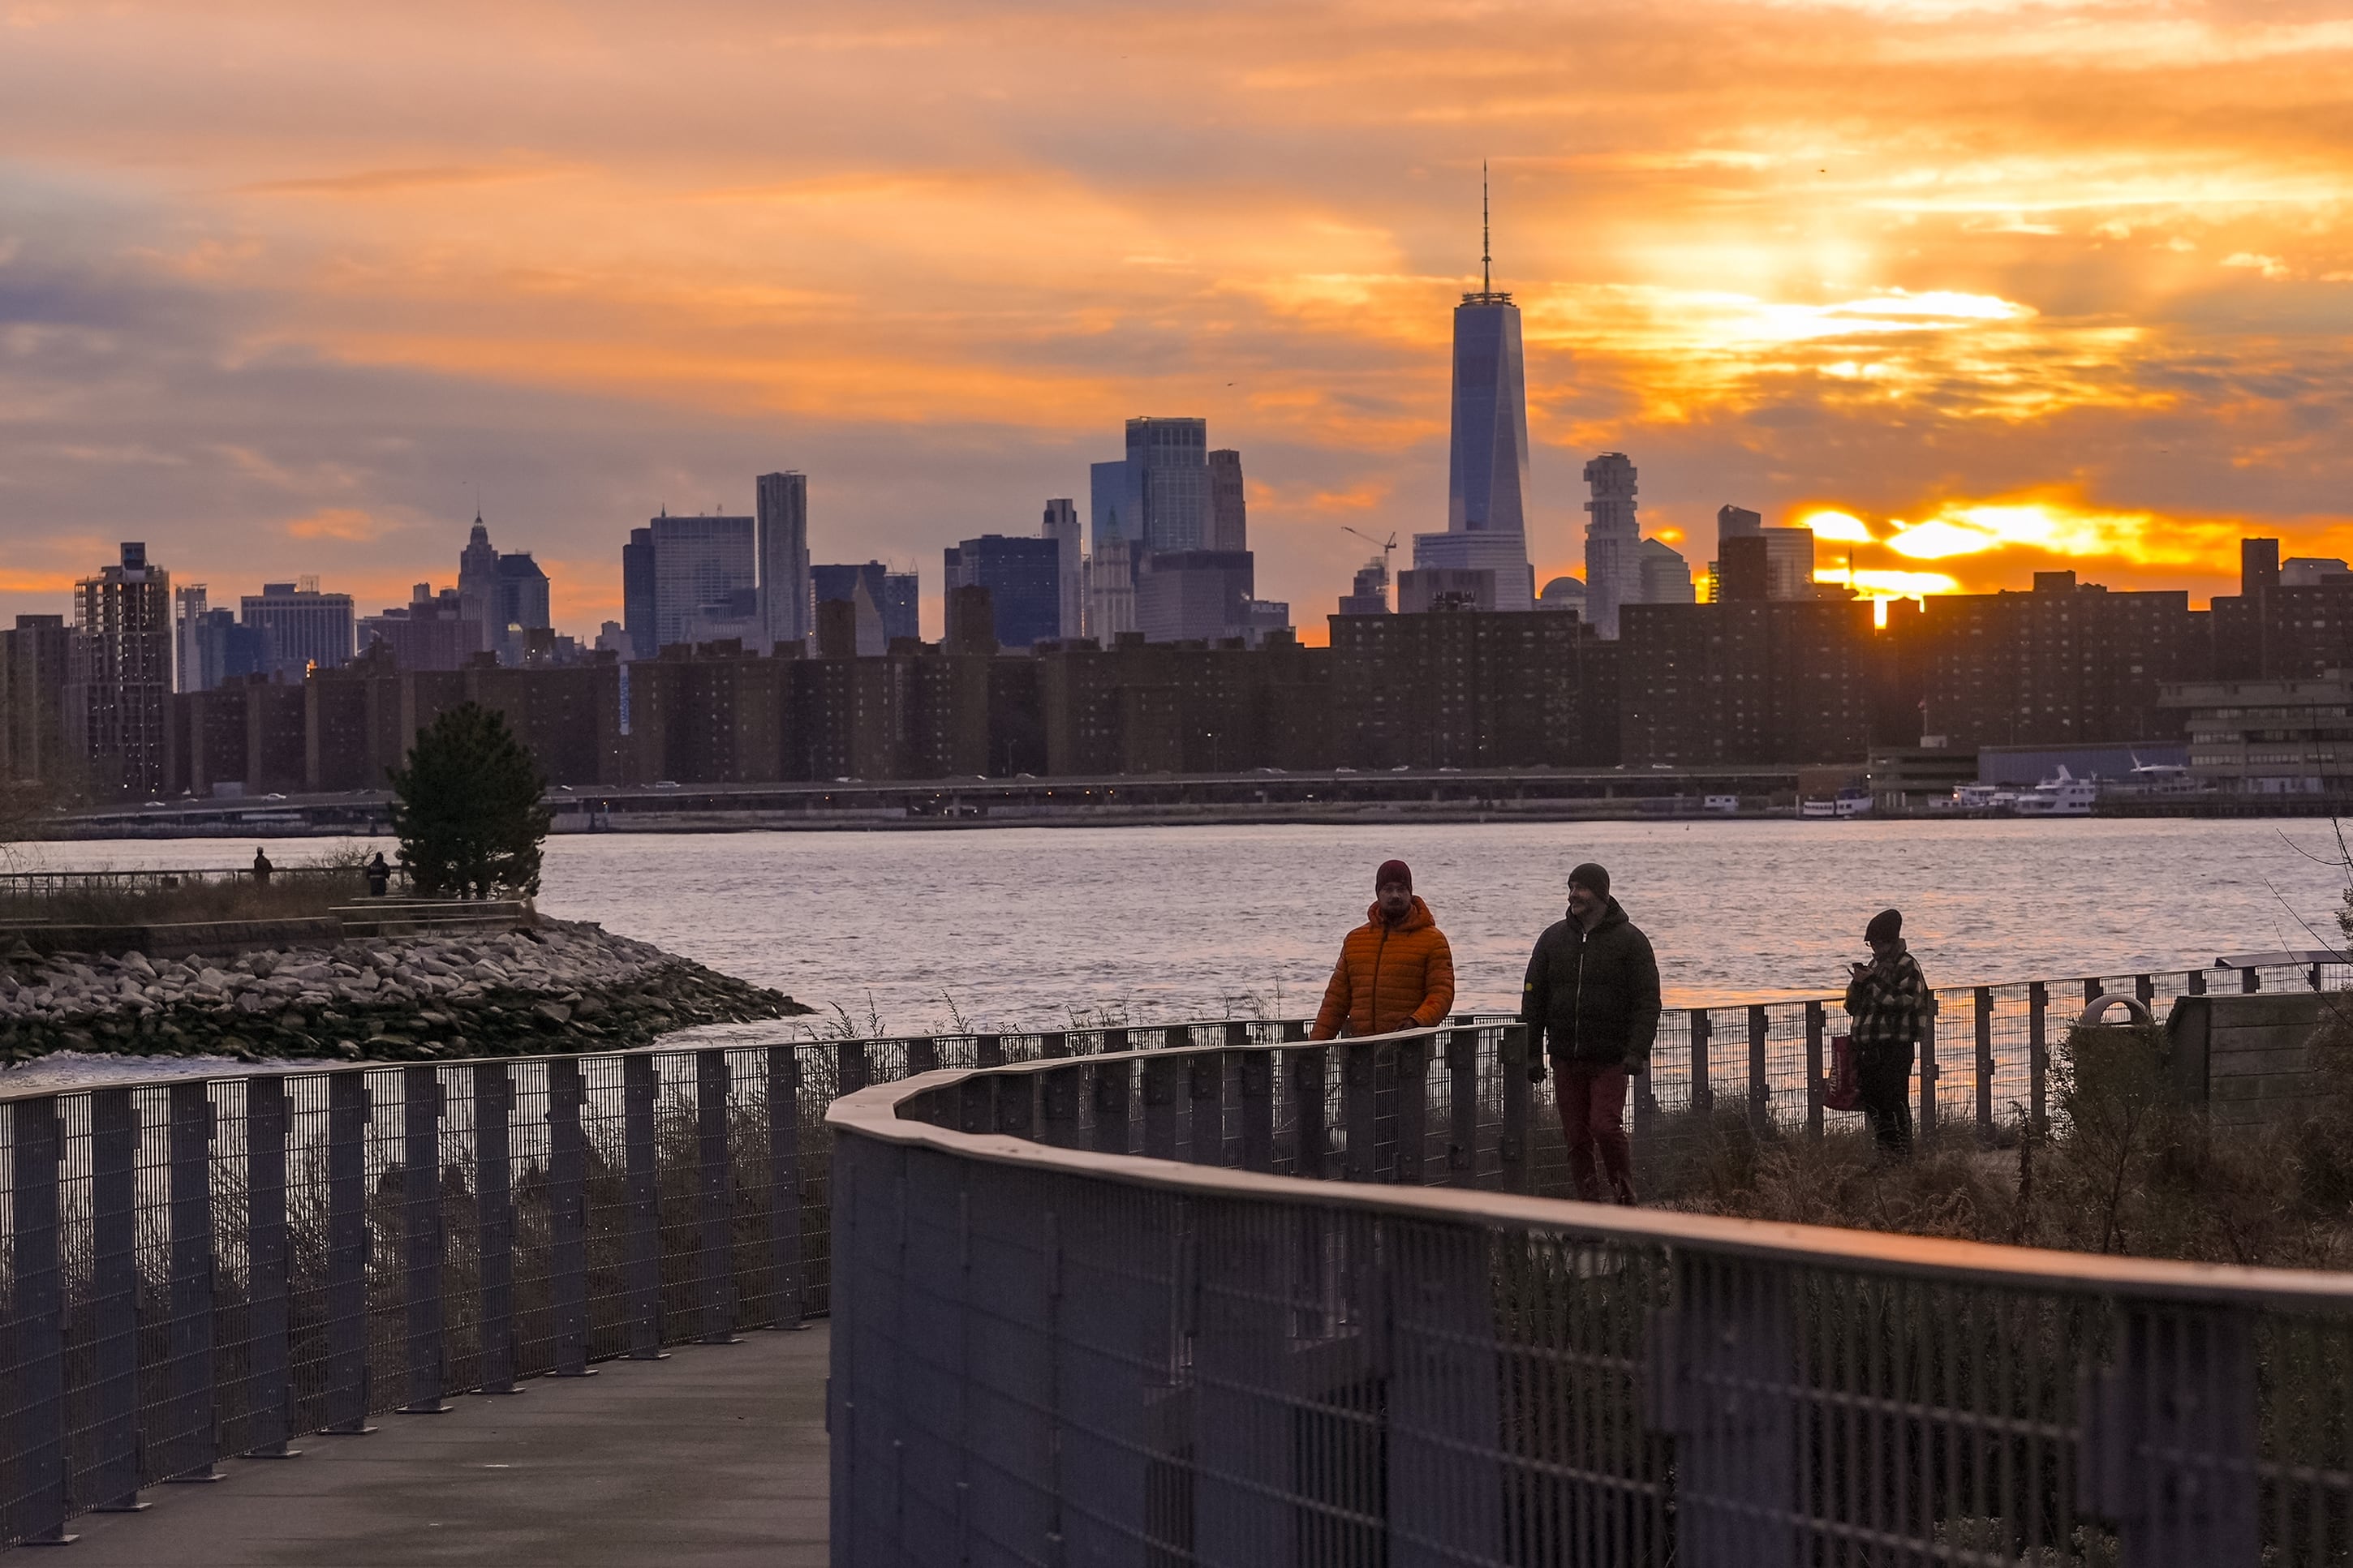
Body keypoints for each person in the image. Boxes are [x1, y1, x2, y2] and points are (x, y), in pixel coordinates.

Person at [1522, 862, 1658, 1206]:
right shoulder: (1552, 939)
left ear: (1602, 893)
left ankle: (1625, 1200)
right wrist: (1532, 1053)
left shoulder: (1631, 941)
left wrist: (1637, 1050)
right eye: (1570, 887)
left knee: (1605, 1128)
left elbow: (1648, 1001)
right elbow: (1533, 999)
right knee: (1576, 1139)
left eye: (1580, 887)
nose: (1573, 895)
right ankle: (1589, 1213)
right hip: (1566, 1056)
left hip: (1612, 1057)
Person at [1310, 860, 1456, 1040]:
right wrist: (1314, 1047)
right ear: (1378, 893)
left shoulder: (1433, 940)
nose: (1395, 895)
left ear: (1410, 892)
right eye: (1388, 889)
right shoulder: (1355, 940)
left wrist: (1417, 1022)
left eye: (1401, 889)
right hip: (1362, 1050)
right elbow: (1335, 1002)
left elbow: (1442, 993)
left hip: (1410, 1049)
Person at [1844, 907, 1929, 1156]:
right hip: (1868, 1049)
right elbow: (1852, 1006)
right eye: (1870, 944)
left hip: (1895, 1048)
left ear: (1890, 941)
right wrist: (1858, 984)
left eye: (1877, 943)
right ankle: (1885, 1157)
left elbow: (1905, 1002)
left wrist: (1873, 982)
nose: (1873, 949)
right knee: (1874, 1105)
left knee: (1894, 1103)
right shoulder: (1874, 966)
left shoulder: (1908, 966)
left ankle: (1902, 1158)